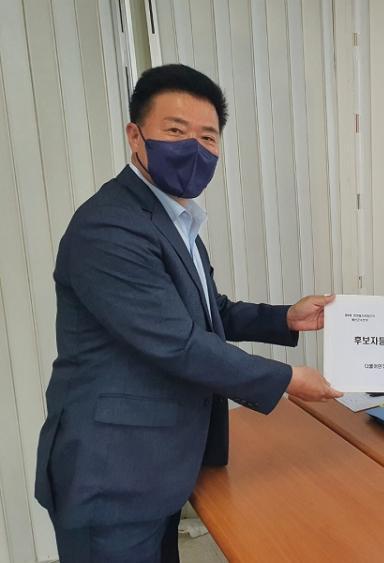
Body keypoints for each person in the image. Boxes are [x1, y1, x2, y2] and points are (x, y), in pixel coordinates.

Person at [34, 63, 342, 563]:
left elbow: (208, 312)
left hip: (158, 466)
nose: (194, 149)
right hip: (111, 475)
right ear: (135, 136)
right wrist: (287, 379)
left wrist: (286, 317)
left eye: (207, 137)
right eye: (176, 132)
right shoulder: (109, 227)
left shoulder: (174, 218)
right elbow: (177, 342)